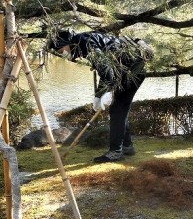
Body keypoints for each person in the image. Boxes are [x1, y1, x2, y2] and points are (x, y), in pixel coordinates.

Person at [47, 29, 153, 163]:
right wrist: (99, 95)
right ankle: (126, 147)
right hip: (127, 69)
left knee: (118, 110)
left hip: (133, 70)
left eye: (61, 51)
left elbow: (106, 67)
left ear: (66, 43)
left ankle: (116, 151)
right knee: (119, 110)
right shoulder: (82, 42)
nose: (63, 55)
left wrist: (107, 92)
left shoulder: (85, 43)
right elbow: (104, 70)